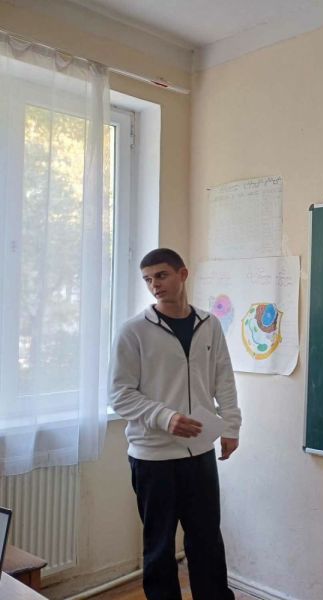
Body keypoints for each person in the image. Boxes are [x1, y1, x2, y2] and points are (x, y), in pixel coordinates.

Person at [109, 248, 241, 600]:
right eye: (148, 279)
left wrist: (231, 427)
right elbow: (120, 395)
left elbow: (224, 379)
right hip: (153, 458)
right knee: (159, 545)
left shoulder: (209, 324)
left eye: (162, 275)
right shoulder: (133, 331)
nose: (155, 284)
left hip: (199, 453)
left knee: (207, 541)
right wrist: (166, 418)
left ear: (183, 274)